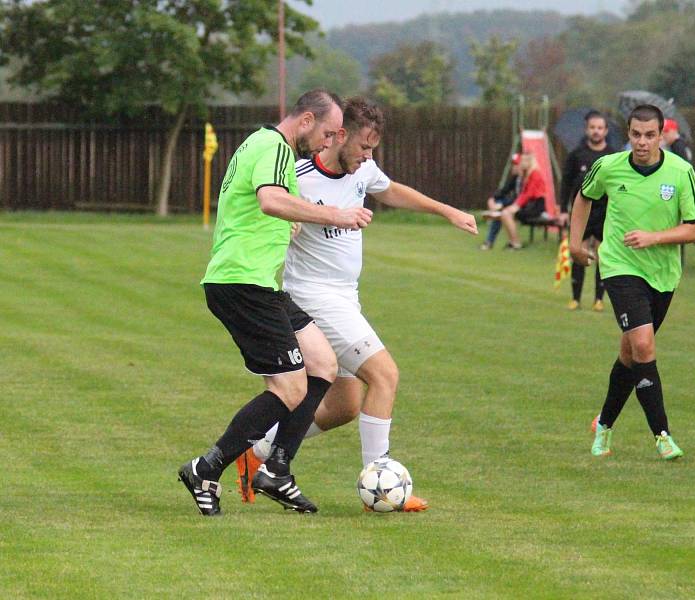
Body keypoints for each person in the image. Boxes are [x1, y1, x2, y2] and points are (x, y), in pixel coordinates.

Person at [241, 97, 477, 511]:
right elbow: (269, 205)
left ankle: (256, 453)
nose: (368, 158)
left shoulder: (362, 169)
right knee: (385, 374)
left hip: (346, 297)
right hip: (314, 297)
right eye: (364, 147)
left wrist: (446, 211)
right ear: (341, 135)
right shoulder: (297, 174)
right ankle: (381, 487)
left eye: (373, 151)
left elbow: (391, 191)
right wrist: (291, 222)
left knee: (343, 407)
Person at [178, 89, 374, 516]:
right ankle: (205, 467)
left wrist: (293, 225)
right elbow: (269, 200)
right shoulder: (274, 147)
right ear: (306, 120)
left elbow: (262, 208)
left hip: (260, 284)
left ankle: (277, 471)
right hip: (241, 283)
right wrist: (337, 215)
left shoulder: (263, 146)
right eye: (325, 134)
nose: (327, 144)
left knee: (322, 364)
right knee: (289, 387)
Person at [570, 104, 695, 460]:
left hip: (662, 274)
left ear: (661, 135)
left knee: (630, 354)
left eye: (649, 135)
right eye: (635, 135)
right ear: (627, 134)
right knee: (644, 346)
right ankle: (663, 436)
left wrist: (654, 238)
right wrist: (574, 243)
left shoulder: (681, 173)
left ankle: (604, 425)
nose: (642, 142)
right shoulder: (608, 166)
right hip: (618, 266)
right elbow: (583, 198)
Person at [560, 110, 616, 311]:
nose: (596, 131)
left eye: (600, 128)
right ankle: (575, 298)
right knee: (578, 251)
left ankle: (599, 299)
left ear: (606, 131)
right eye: (592, 127)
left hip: (605, 211)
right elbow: (566, 182)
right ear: (586, 130)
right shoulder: (576, 154)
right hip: (582, 211)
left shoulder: (613, 156)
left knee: (603, 255)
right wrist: (563, 209)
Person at [498, 153, 548, 250]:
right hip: (529, 204)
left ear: (530, 162)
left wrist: (516, 206)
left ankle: (516, 243)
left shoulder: (535, 174)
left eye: (524, 161)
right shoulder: (527, 175)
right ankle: (512, 241)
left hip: (536, 205)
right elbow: (523, 193)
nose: (521, 163)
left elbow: (529, 193)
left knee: (506, 214)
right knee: (505, 214)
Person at [480, 153, 523, 250]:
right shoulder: (516, 178)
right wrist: (493, 199)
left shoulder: (525, 179)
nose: (513, 167)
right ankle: (490, 241)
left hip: (526, 207)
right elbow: (504, 190)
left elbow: (521, 198)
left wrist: (501, 204)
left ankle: (513, 242)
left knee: (500, 211)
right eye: (513, 164)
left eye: (516, 164)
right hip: (516, 205)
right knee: (498, 210)